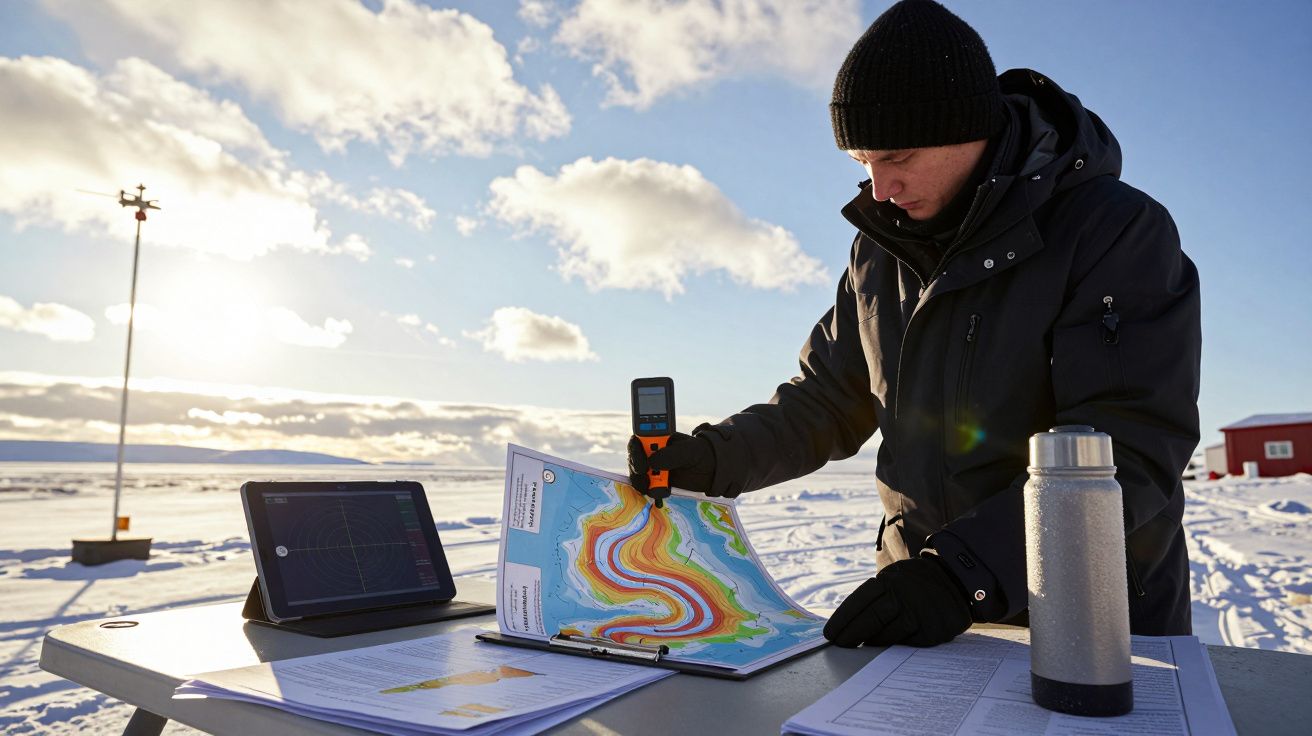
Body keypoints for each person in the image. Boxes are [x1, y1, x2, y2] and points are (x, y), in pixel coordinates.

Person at [627, 0, 1201, 647]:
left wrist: (964, 575)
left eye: (896, 155)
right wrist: (710, 460)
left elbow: (1129, 446)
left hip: (1091, 621)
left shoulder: (1111, 232)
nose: (879, 188)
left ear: (969, 127)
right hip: (924, 609)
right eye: (862, 161)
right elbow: (826, 402)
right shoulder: (879, 252)